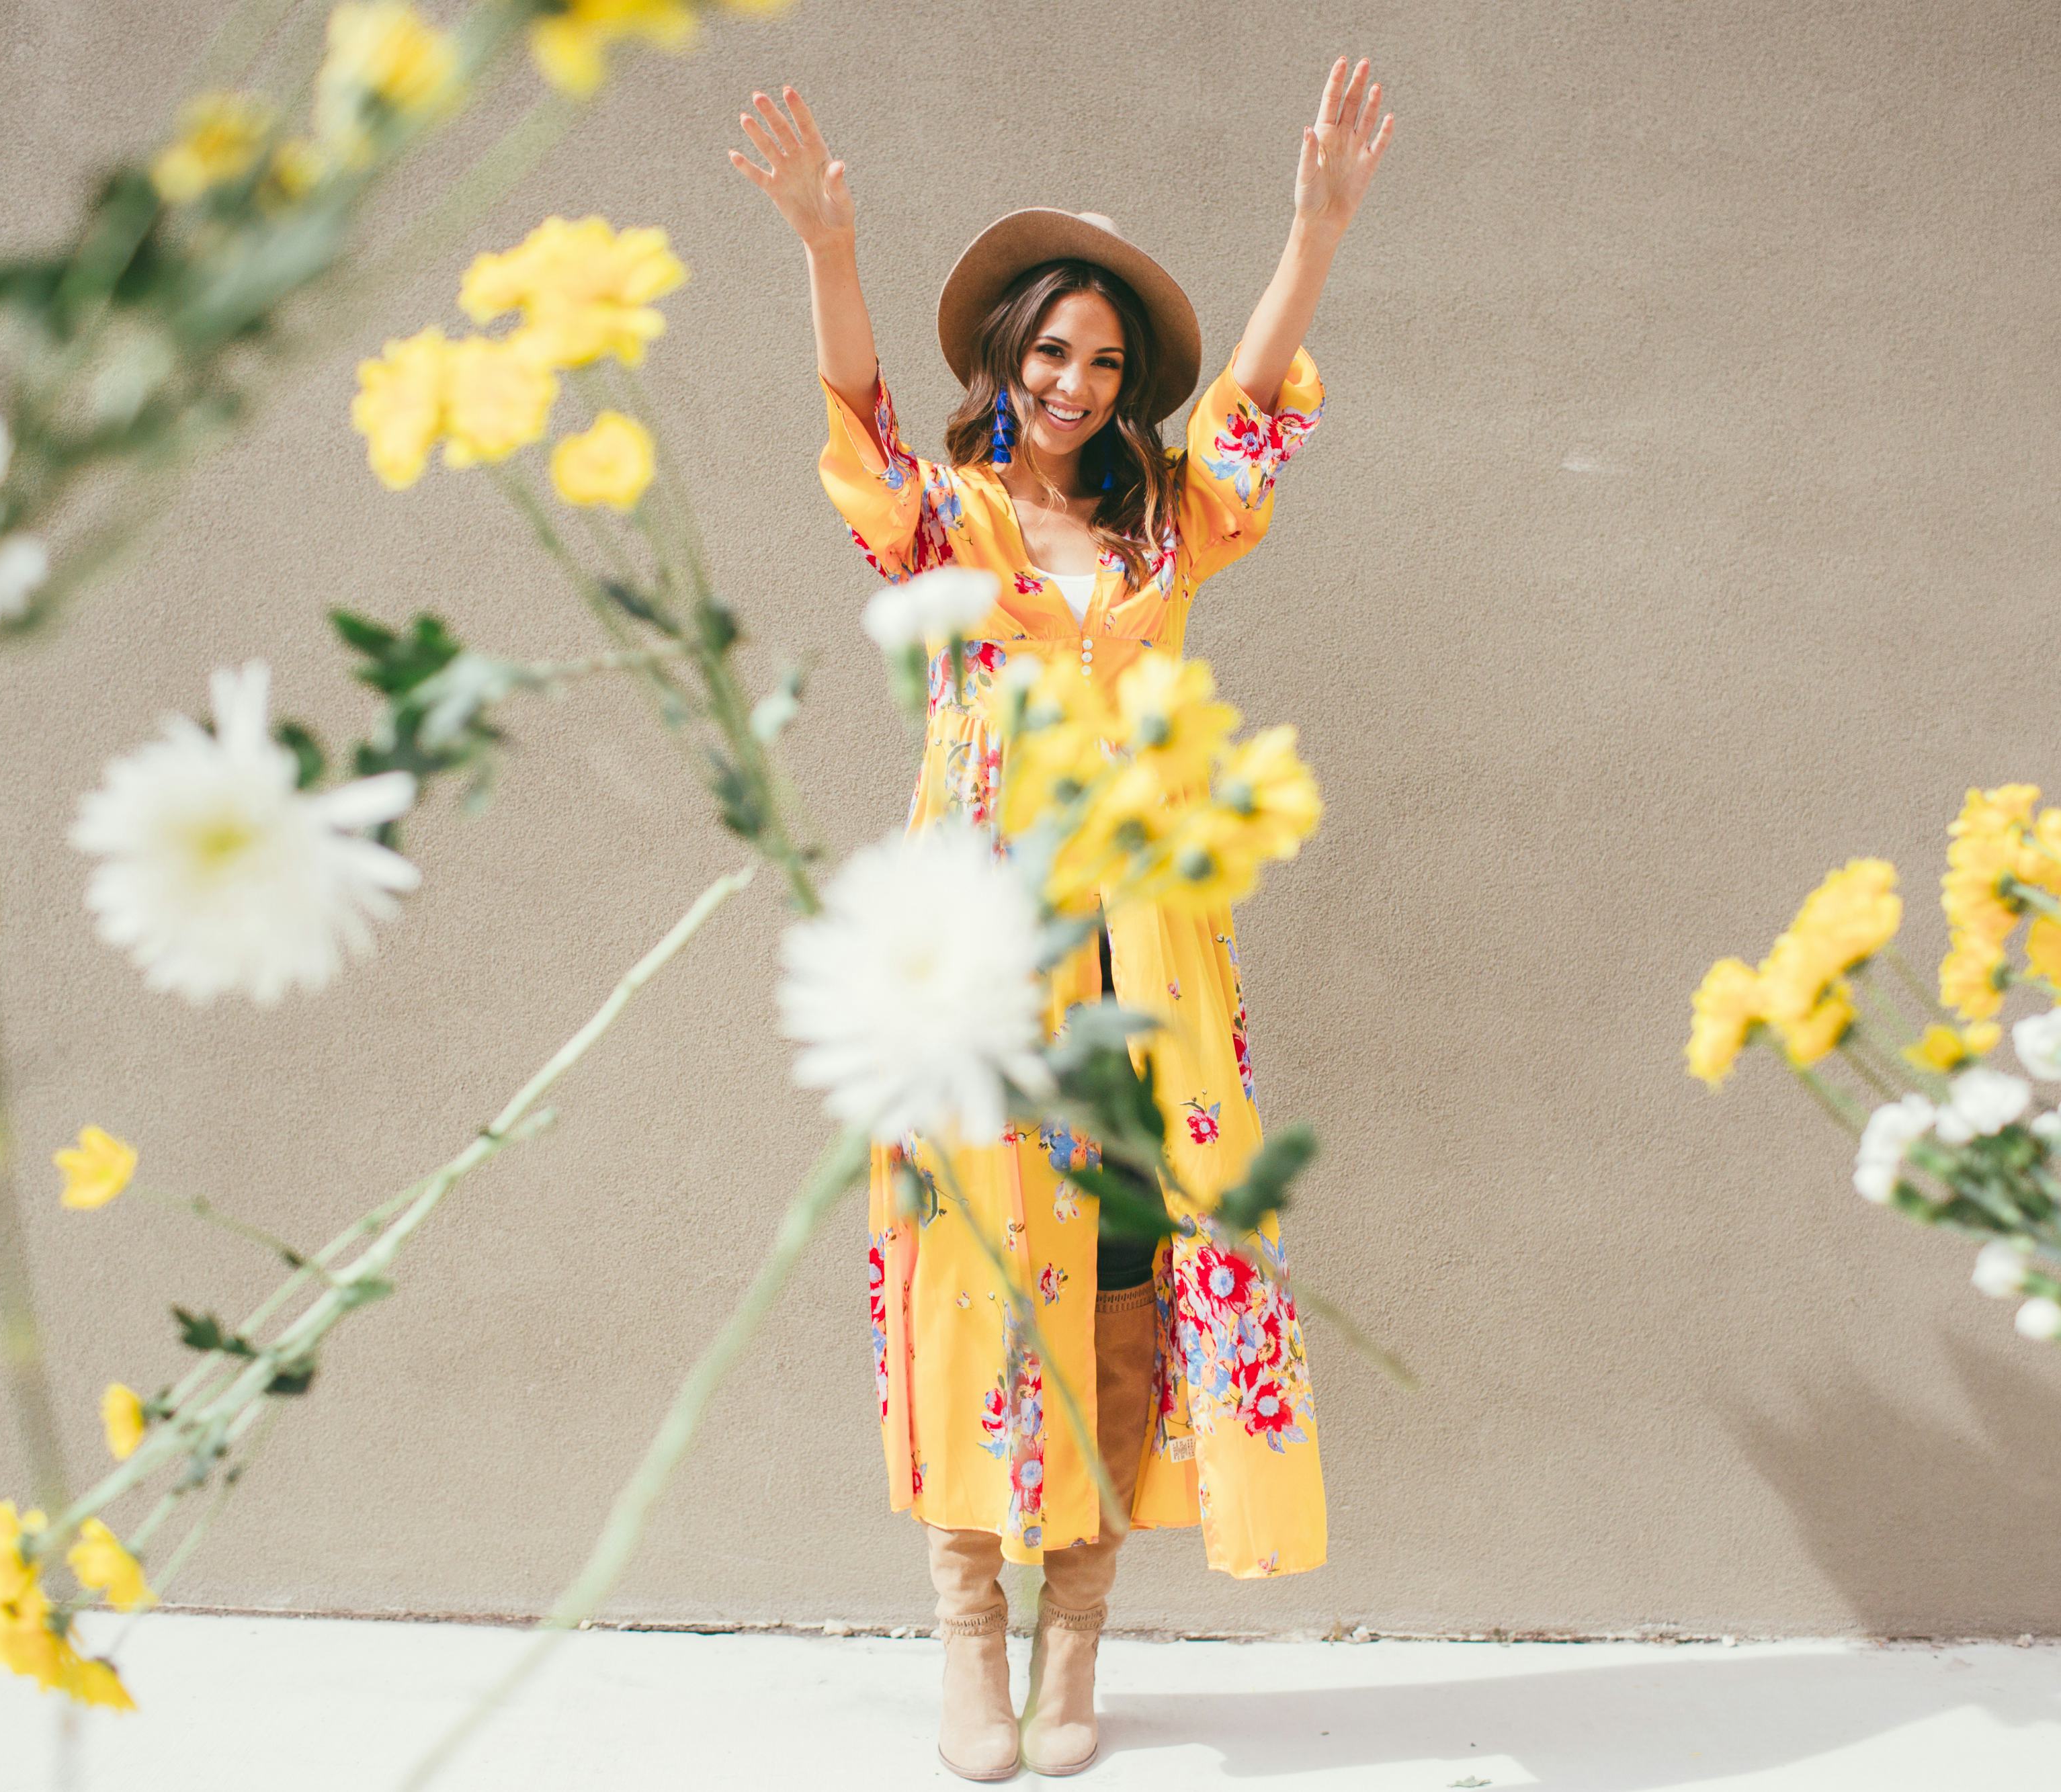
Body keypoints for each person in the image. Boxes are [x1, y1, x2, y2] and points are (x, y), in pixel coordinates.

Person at [731, 58, 1392, 1781]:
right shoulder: (948, 525)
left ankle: (1075, 1631)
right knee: (967, 1266)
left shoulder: (1166, 527)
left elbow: (1252, 409)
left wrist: (1313, 234)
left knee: (1118, 1271)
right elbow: (859, 432)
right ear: (1005, 358)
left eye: (1102, 364)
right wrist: (826, 246)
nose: (1073, 384)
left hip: (1144, 955)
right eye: (1049, 353)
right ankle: (968, 1629)